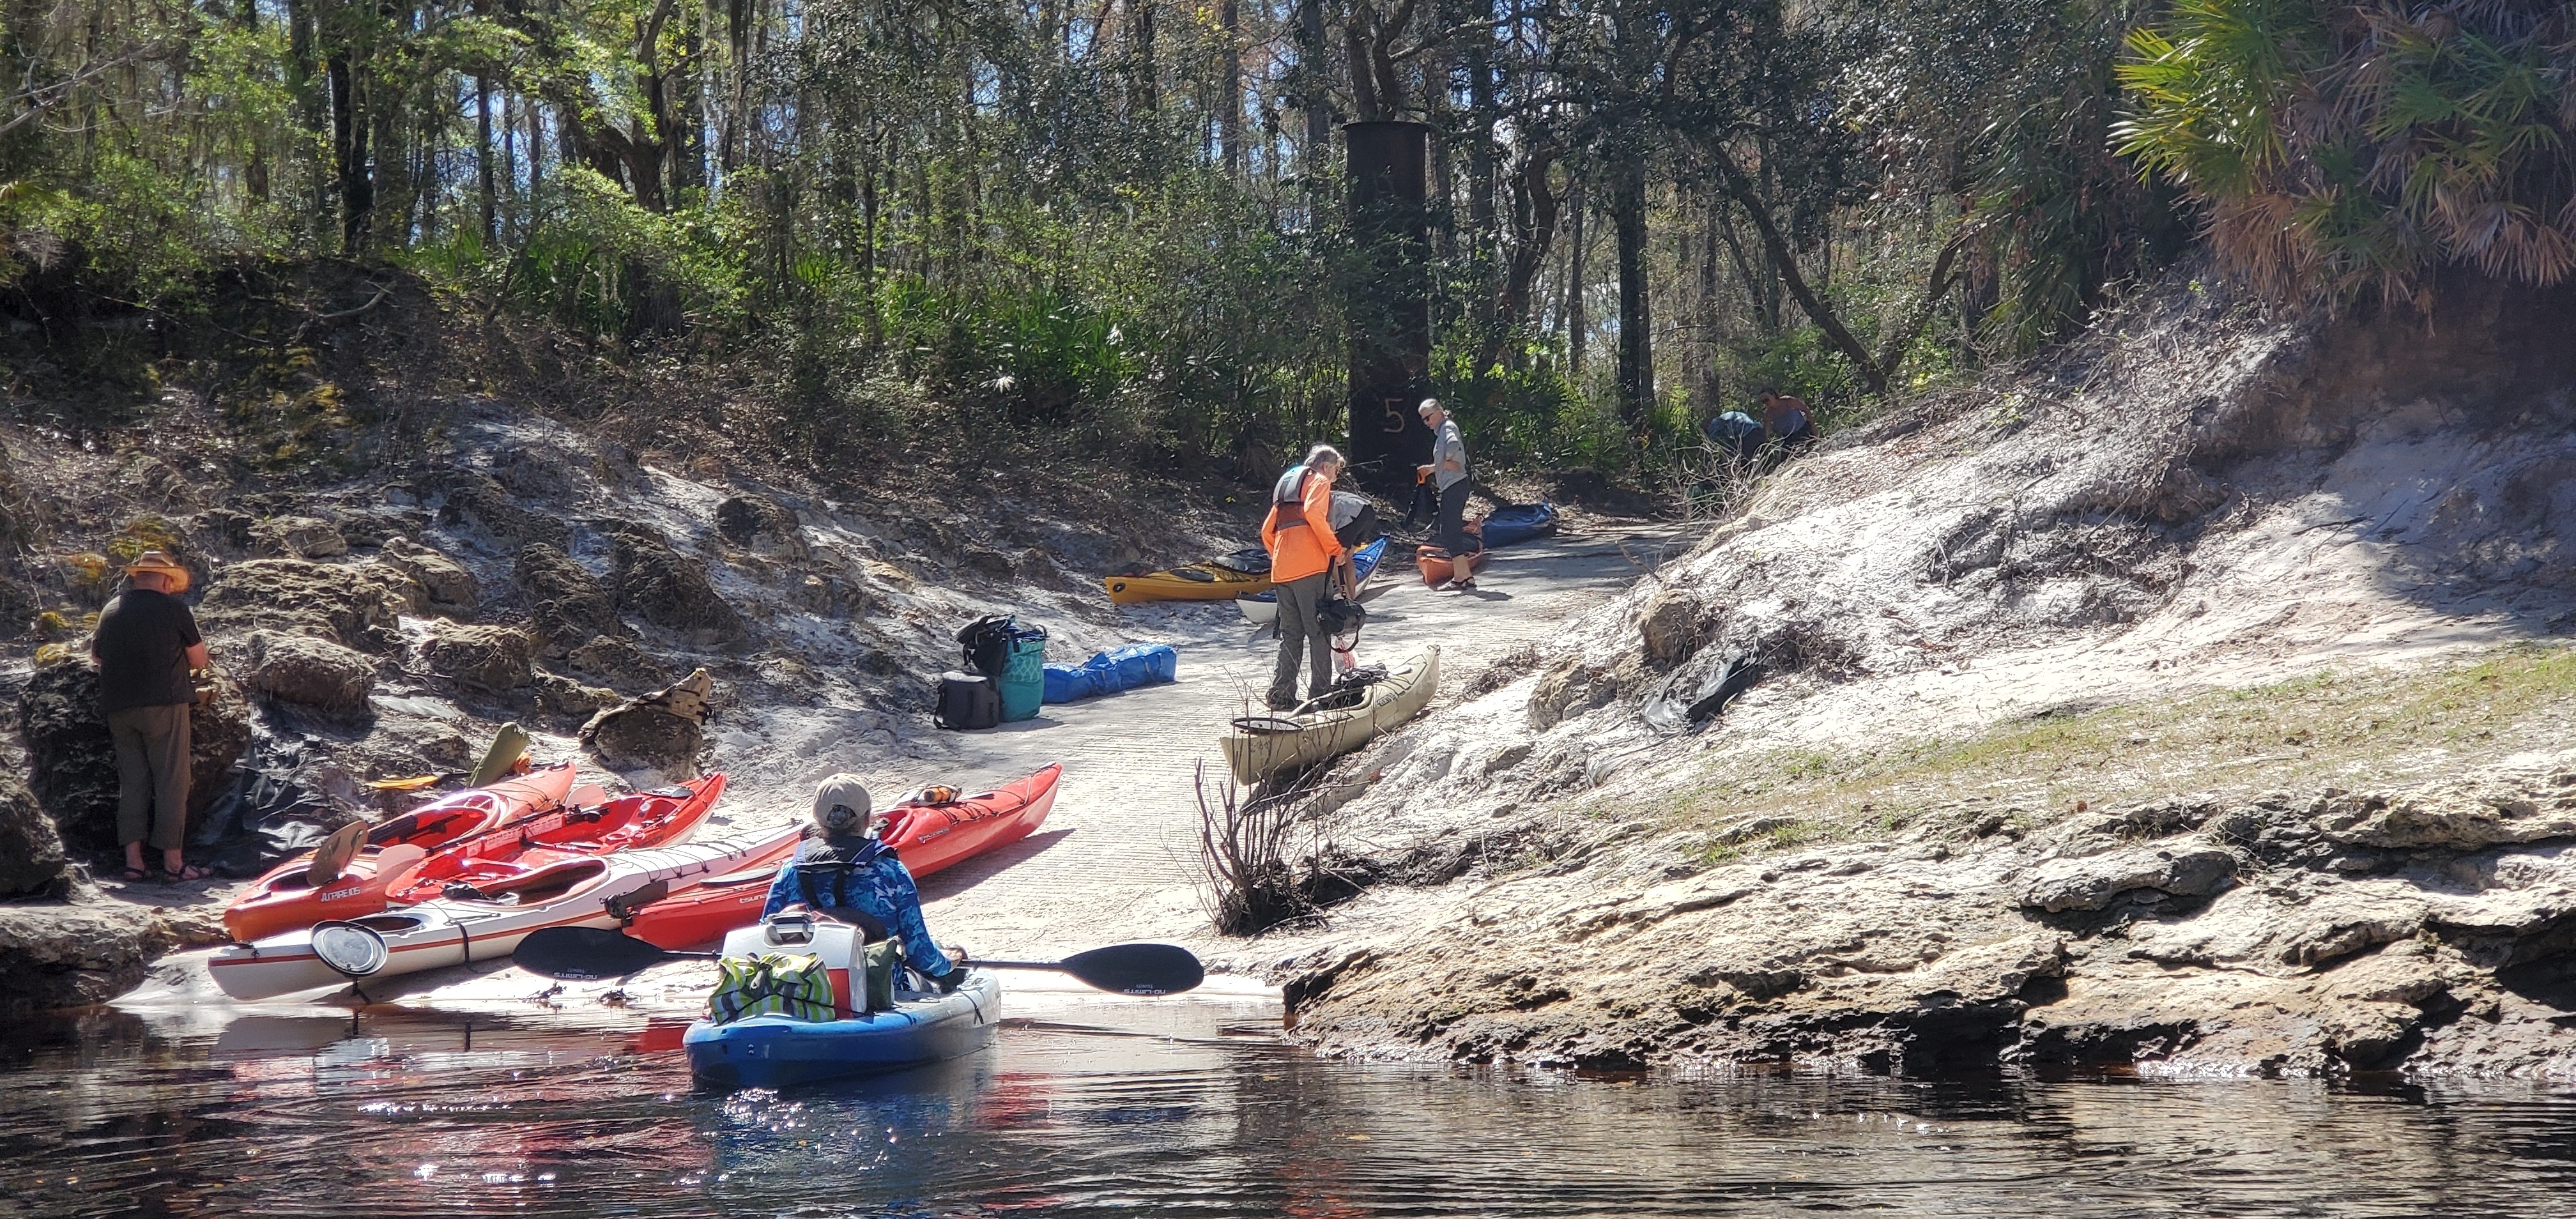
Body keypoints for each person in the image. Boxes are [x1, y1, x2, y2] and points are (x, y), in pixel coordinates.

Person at [760, 774, 968, 990]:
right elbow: (920, 953)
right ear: (868, 817)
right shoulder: (890, 871)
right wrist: (949, 962)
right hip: (876, 989)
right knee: (946, 972)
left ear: (816, 815)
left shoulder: (789, 870)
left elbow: (765, 934)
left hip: (802, 987)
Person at [90, 550, 209, 883]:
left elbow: (97, 657)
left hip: (119, 708)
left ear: (138, 576)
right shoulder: (174, 609)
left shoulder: (112, 610)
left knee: (133, 783)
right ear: (167, 580)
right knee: (172, 780)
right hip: (165, 705)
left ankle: (134, 863)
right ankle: (173, 862)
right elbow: (199, 660)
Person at [1260, 443, 1356, 710]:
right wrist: (1334, 550)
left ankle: (1281, 696)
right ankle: (1321, 695)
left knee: (1291, 634)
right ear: (1325, 466)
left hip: (1281, 571)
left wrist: (1284, 557)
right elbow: (1314, 513)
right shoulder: (1319, 482)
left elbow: (1267, 533)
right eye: (1336, 470)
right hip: (1310, 570)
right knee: (1318, 631)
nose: (1335, 477)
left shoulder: (1288, 486)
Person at [1416, 399, 1477, 591]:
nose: (1427, 423)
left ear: (1439, 412)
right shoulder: (1443, 430)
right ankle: (1464, 577)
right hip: (1453, 485)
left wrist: (1445, 463)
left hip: (1455, 485)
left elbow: (1453, 449)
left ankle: (1462, 577)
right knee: (1451, 531)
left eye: (1429, 417)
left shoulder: (1447, 428)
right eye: (1423, 420)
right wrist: (1433, 469)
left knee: (1449, 532)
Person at [1760, 388, 1816, 452]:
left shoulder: (1788, 401)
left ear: (1773, 395)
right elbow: (1766, 431)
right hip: (1788, 439)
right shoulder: (1769, 414)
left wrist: (1814, 429)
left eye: (1767, 399)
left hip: (1803, 432)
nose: (1766, 403)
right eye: (1763, 402)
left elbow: (1806, 410)